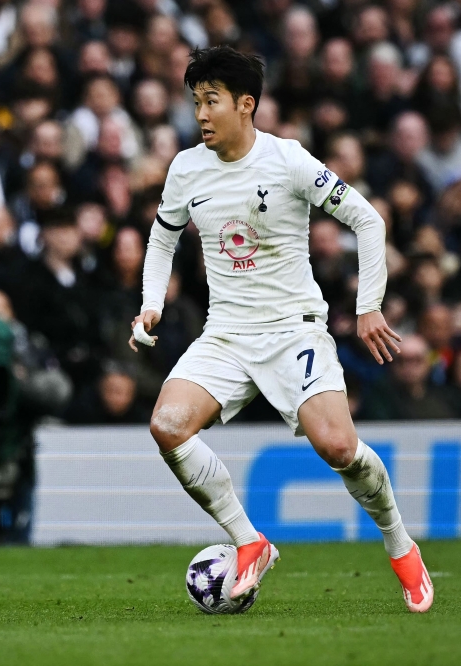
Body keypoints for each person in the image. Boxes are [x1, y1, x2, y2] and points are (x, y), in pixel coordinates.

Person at [130, 46, 432, 612]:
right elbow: (163, 235)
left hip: (294, 332)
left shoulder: (288, 160)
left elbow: (369, 219)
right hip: (225, 333)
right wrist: (151, 304)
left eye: (211, 101)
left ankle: (399, 544)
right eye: (195, 101)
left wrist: (370, 306)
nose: (200, 114)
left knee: (339, 447)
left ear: (246, 105)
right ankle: (250, 542)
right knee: (168, 425)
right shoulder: (185, 168)